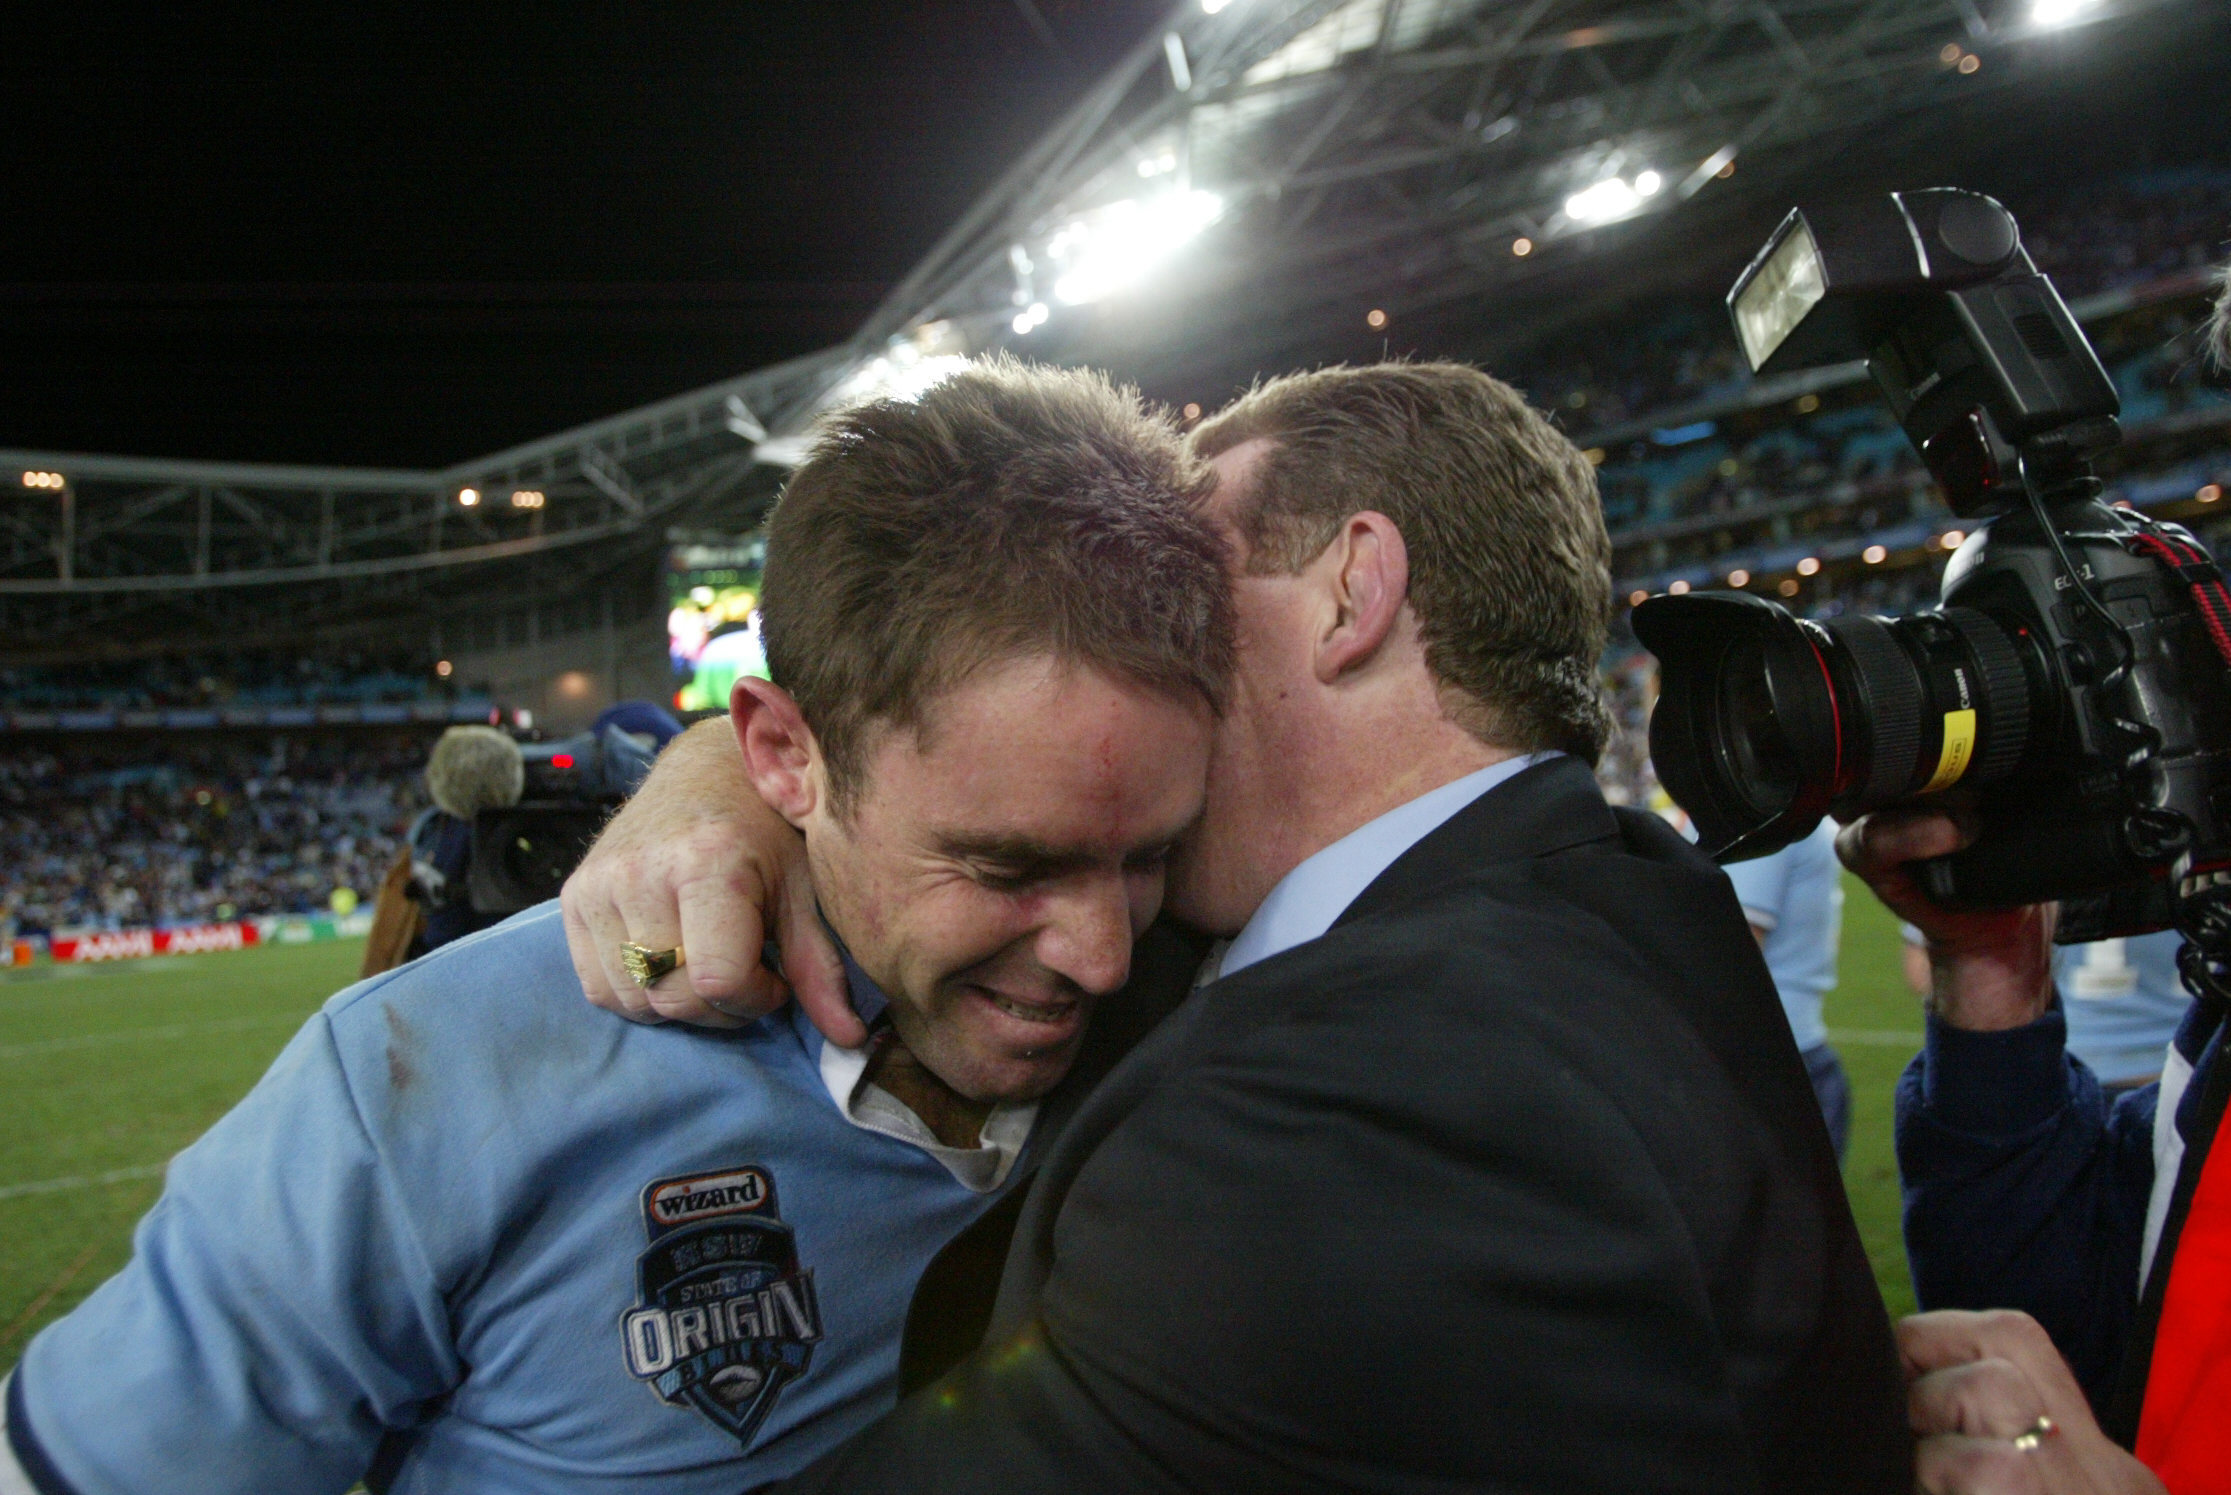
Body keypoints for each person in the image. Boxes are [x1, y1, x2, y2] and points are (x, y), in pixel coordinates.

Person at [565, 362, 1913, 1491]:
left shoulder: (1356, 1099)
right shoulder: (1621, 892)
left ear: (1349, 591)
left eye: (1178, 590)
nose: (1125, 633)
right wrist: (732, 781)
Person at [0, 360, 1233, 1495]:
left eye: (1148, 854)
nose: (1101, 954)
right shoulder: (432, 1082)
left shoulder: (1219, 992)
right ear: (783, 755)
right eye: (1005, 863)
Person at [1727, 818, 1853, 1161]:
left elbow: (1731, 954)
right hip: (1785, 1054)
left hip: (1768, 1063)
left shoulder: (1763, 822)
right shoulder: (1783, 819)